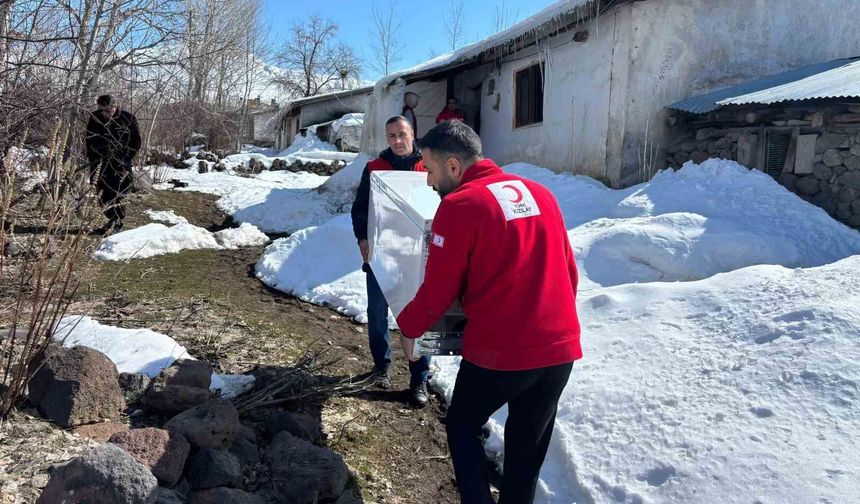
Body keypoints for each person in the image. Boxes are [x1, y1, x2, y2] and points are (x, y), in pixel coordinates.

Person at [396, 121, 581, 503]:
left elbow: (438, 290)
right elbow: (570, 272)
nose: (428, 181)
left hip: (503, 353)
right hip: (559, 351)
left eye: (429, 169)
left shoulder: (459, 205)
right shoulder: (541, 193)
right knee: (526, 449)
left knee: (462, 425)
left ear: (452, 166)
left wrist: (409, 328)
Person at [350, 115, 432, 407]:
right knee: (377, 313)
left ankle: (420, 378)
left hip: (417, 256)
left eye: (402, 134)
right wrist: (363, 239)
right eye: (391, 136)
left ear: (413, 133)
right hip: (382, 254)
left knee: (420, 317)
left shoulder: (427, 166)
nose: (397, 140)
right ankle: (381, 366)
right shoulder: (375, 168)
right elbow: (360, 209)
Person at [85, 94, 141, 234]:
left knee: (119, 194)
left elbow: (136, 143)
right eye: (102, 110)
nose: (106, 113)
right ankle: (111, 221)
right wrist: (95, 159)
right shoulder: (95, 117)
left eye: (109, 110)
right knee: (102, 195)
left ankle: (117, 223)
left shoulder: (128, 119)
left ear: (115, 107)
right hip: (101, 162)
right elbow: (89, 141)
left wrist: (124, 158)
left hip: (121, 164)